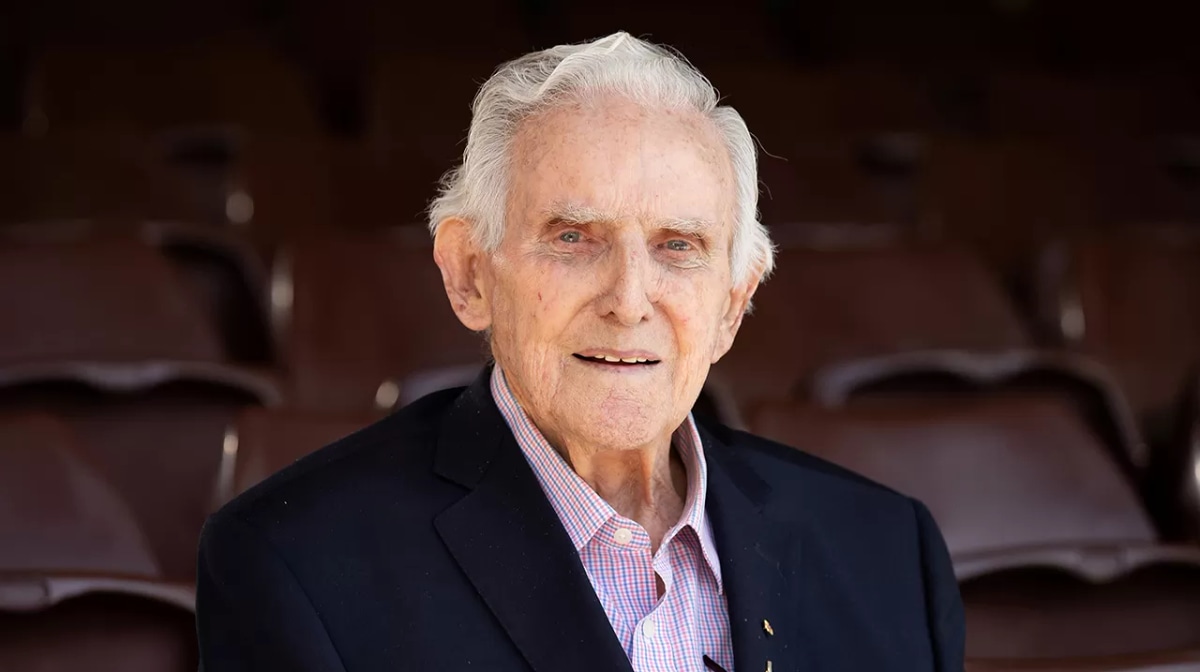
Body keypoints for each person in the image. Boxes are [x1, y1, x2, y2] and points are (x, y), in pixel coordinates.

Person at [196, 32, 965, 671]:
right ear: (469, 274)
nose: (629, 300)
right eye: (573, 239)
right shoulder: (297, 563)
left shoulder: (889, 553)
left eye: (678, 246)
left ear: (734, 302)